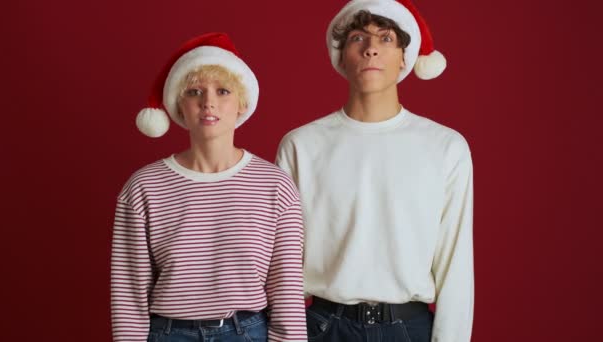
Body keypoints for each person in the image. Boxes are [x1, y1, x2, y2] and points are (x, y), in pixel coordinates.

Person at [275, 1, 474, 341]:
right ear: (341, 55)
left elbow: (455, 264)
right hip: (324, 325)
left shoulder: (445, 147)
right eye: (357, 39)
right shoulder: (300, 147)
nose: (371, 50)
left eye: (386, 39)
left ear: (404, 57)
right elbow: (281, 265)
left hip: (408, 327)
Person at [111, 32, 307, 342]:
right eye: (194, 92)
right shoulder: (144, 187)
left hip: (248, 332)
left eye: (223, 90)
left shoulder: (275, 185)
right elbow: (128, 293)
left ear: (242, 103)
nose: (208, 102)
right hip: (168, 333)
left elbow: (286, 289)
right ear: (179, 104)